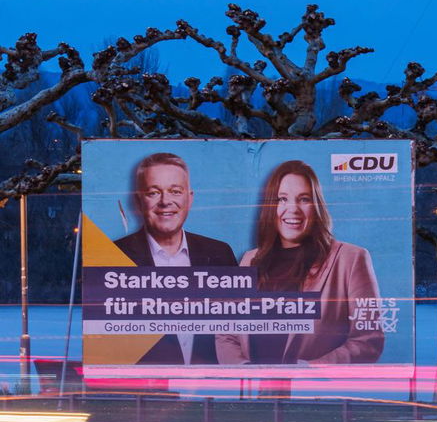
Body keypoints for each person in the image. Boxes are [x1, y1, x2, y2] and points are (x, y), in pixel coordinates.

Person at [216, 160, 384, 366]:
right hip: (257, 393)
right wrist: (245, 370)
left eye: (304, 199)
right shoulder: (250, 259)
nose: (292, 209)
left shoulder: (350, 258)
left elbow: (368, 341)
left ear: (317, 206)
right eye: (282, 199)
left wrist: (309, 371)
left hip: (311, 395)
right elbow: (227, 334)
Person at [114, 152, 237, 365]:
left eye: (175, 191)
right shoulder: (115, 256)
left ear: (190, 198)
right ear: (138, 201)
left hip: (209, 389)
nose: (165, 202)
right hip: (145, 391)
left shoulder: (219, 254)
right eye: (153, 192)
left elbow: (237, 328)